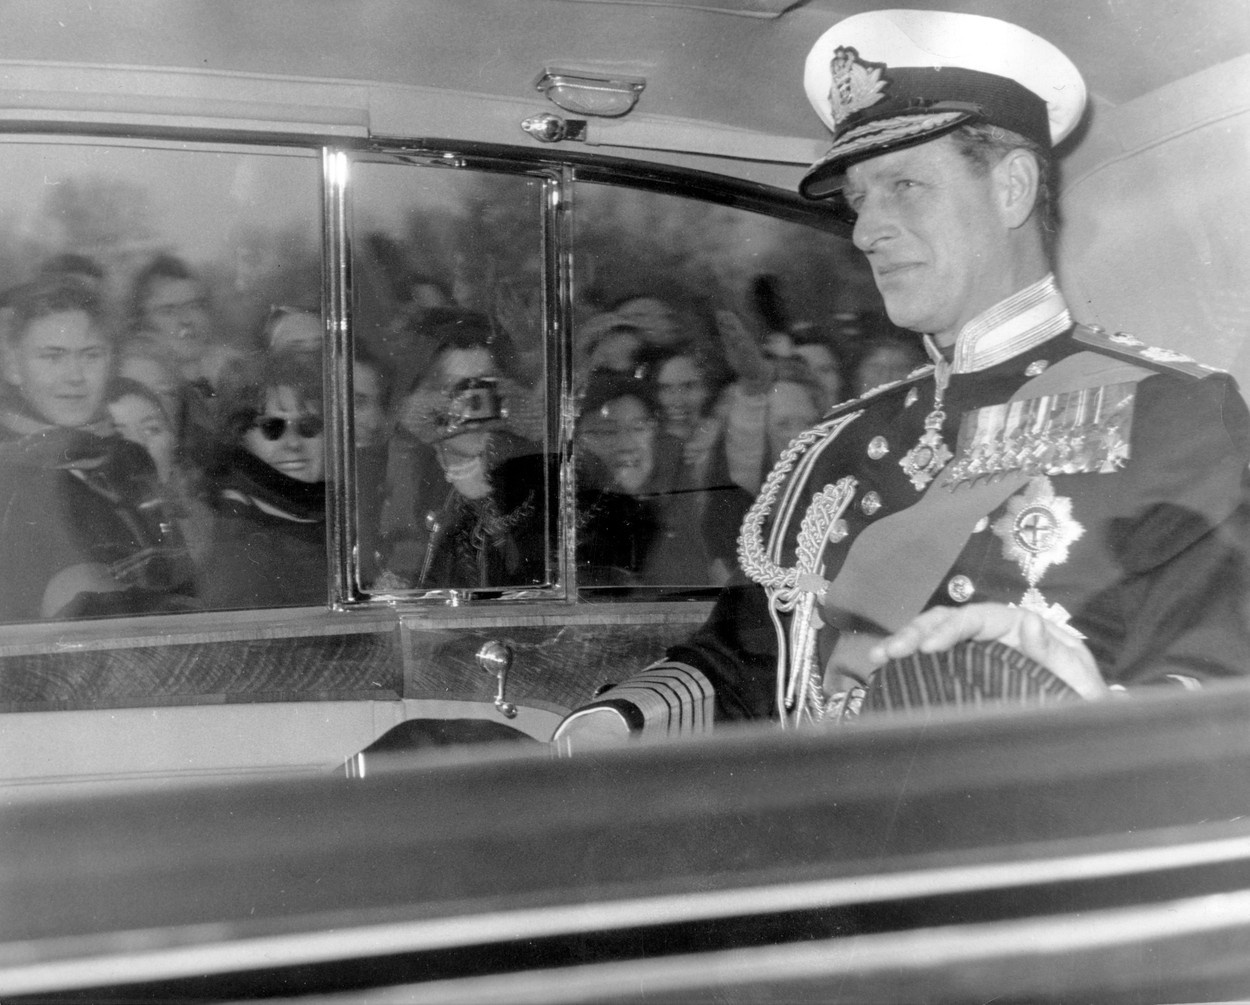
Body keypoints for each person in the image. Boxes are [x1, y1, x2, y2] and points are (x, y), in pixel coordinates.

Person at [554, 8, 1250, 747]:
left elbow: (1216, 701)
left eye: (905, 186)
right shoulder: (834, 445)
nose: (864, 230)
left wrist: (1094, 718)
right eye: (859, 200)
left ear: (1013, 187)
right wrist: (617, 719)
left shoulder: (1172, 416)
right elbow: (748, 661)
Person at [0, 276, 195, 621]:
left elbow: (183, 584)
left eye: (91, 355)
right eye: (52, 357)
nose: (75, 376)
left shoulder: (131, 461)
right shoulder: (10, 477)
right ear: (14, 367)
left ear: (112, 362)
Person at [199, 350, 327, 609]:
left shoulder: (328, 516)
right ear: (239, 435)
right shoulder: (241, 542)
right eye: (273, 427)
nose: (293, 443)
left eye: (309, 426)